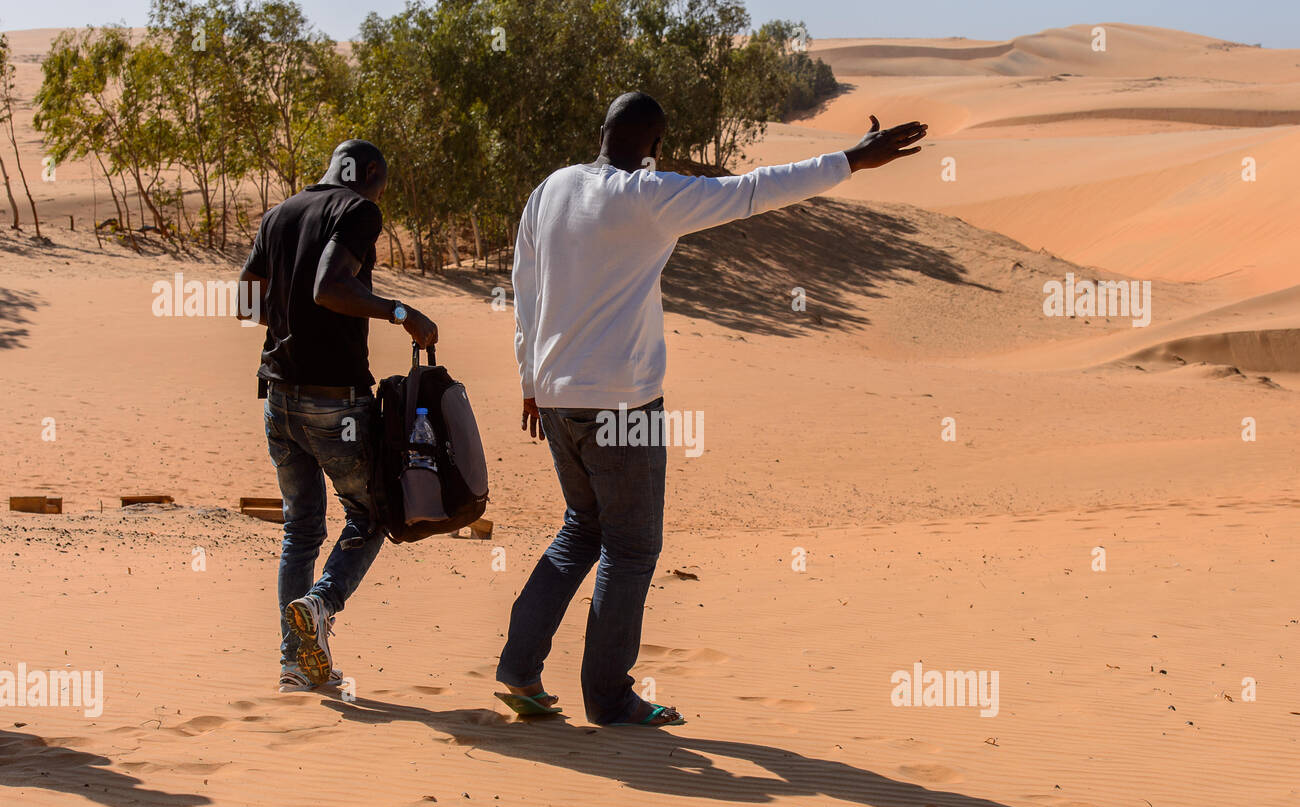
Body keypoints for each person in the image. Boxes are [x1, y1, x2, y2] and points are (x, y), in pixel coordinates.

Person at [500, 92, 927, 726]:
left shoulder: (551, 188)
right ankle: (610, 698)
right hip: (623, 400)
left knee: (582, 529)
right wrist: (850, 160)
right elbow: (757, 189)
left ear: (601, 132)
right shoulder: (651, 196)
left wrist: (530, 378)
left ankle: (518, 667)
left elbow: (524, 283)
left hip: (557, 394)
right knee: (632, 546)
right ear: (656, 146)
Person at [239, 139, 438, 693]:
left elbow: (245, 303)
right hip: (336, 402)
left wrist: (290, 332)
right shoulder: (357, 209)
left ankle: (295, 664)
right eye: (382, 184)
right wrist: (401, 312)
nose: (380, 196)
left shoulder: (280, 213)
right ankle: (321, 604)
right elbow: (330, 287)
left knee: (300, 529)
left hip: (279, 399)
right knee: (373, 516)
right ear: (370, 173)